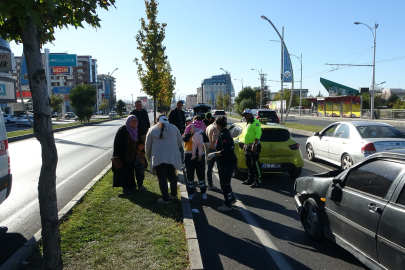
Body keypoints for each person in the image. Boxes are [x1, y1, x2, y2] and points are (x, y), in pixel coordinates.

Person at [146, 115, 182, 204]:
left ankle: (165, 199)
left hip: (158, 157)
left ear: (157, 121)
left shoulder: (152, 130)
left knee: (162, 178)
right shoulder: (174, 128)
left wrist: (149, 157)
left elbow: (147, 146)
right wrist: (173, 149)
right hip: (171, 157)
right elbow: (180, 142)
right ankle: (173, 194)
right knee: (172, 175)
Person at [207, 116, 237, 211]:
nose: (215, 126)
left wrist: (213, 154)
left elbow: (225, 151)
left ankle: (227, 205)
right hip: (227, 162)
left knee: (224, 184)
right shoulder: (225, 133)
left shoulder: (224, 135)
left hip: (226, 163)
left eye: (216, 124)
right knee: (226, 182)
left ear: (219, 125)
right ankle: (231, 198)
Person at [182, 120, 209, 200]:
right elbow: (185, 139)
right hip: (189, 154)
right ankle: (191, 193)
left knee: (201, 174)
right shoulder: (187, 131)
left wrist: (202, 133)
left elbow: (206, 140)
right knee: (190, 174)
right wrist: (191, 133)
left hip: (200, 154)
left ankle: (203, 192)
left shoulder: (202, 132)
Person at [112, 115, 139, 194]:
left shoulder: (136, 130)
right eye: (132, 121)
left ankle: (132, 186)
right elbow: (116, 143)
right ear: (129, 121)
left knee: (130, 171)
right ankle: (125, 187)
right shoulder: (123, 129)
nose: (134, 122)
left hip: (132, 155)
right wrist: (116, 154)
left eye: (136, 121)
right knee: (124, 171)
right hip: (123, 155)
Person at [241, 109, 262, 188]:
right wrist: (245, 144)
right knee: (248, 164)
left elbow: (258, 134)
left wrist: (255, 144)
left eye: (246, 115)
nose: (245, 117)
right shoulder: (248, 123)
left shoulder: (255, 123)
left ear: (250, 115)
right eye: (244, 115)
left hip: (254, 146)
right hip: (248, 146)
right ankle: (250, 179)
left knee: (255, 164)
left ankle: (258, 181)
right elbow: (247, 134)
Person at [168, 100, 186, 164]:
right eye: (178, 105)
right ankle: (179, 160)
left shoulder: (183, 113)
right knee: (178, 146)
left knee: (180, 145)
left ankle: (180, 160)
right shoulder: (173, 112)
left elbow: (184, 122)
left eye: (181, 105)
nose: (180, 106)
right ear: (176, 105)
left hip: (181, 132)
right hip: (174, 132)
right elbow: (170, 122)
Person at [205, 120, 219, 190]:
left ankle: (209, 184)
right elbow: (214, 138)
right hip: (214, 148)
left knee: (209, 168)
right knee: (220, 167)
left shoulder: (208, 127)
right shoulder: (215, 128)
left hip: (208, 148)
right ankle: (223, 185)